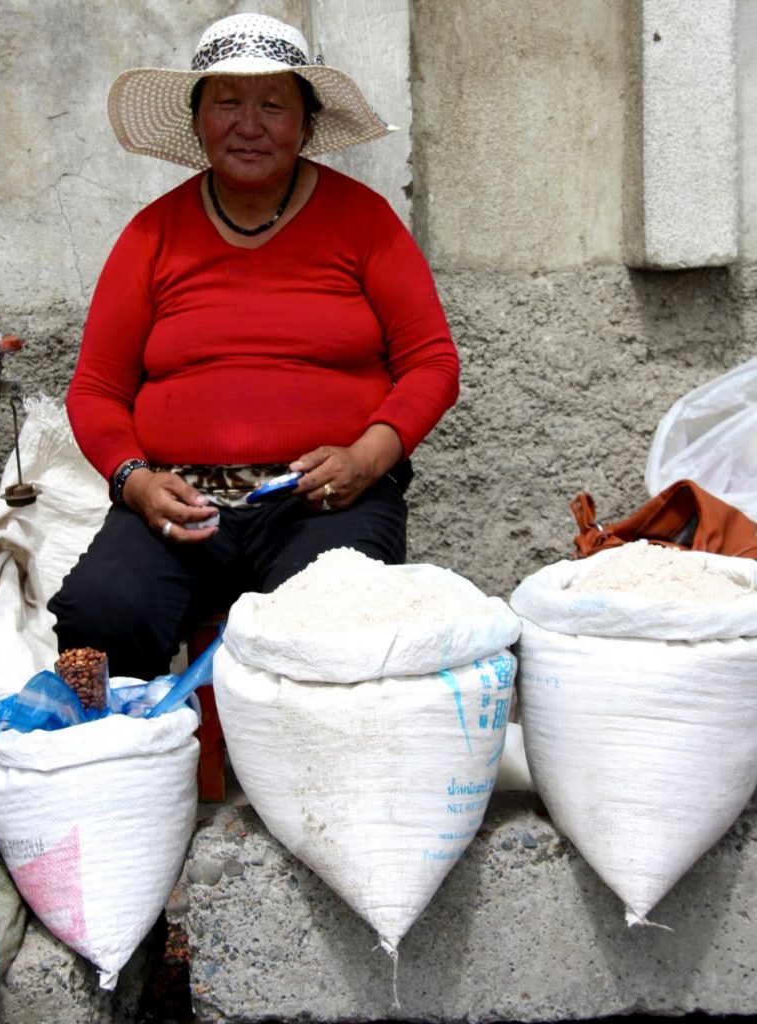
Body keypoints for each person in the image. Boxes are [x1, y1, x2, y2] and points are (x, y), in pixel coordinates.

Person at [48, 12, 459, 680]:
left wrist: (365, 457)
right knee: (100, 613)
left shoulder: (365, 222)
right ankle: (144, 766)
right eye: (227, 103)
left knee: (333, 619)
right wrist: (135, 481)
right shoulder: (152, 235)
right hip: (179, 502)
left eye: (273, 105)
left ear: (306, 124)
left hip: (324, 501)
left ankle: (304, 772)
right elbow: (95, 388)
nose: (249, 124)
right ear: (197, 120)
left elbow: (432, 363)